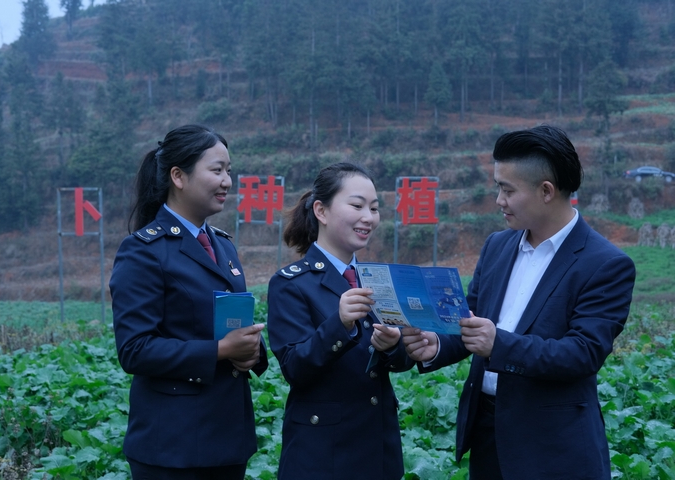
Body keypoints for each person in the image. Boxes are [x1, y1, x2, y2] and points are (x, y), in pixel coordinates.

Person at [402, 125, 636, 480]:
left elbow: (583, 353)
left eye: (507, 190)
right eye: (498, 187)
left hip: (553, 447)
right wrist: (437, 344)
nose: (499, 200)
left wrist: (500, 343)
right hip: (488, 434)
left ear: (546, 191)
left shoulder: (604, 264)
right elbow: (470, 319)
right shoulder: (498, 245)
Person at [110, 124, 268, 480]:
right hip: (173, 447)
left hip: (228, 440)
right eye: (216, 170)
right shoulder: (143, 251)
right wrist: (220, 350)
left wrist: (252, 351)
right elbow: (135, 349)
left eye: (229, 170)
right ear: (178, 176)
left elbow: (230, 326)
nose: (227, 180)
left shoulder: (223, 245)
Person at [267, 162, 414, 480]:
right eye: (357, 205)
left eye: (374, 208)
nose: (369, 217)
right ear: (321, 210)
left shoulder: (377, 279)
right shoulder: (291, 283)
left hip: (378, 450)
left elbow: (401, 362)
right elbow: (294, 367)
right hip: (323, 455)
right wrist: (339, 324)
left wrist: (393, 346)